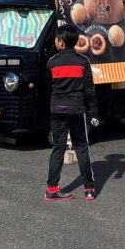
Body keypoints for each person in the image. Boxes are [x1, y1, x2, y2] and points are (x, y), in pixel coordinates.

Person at [45, 25, 100, 202]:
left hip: (56, 109)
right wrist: (94, 113)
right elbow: (90, 91)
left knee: (58, 148)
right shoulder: (83, 62)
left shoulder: (51, 62)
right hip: (76, 109)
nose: (55, 41)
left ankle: (52, 189)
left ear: (61, 42)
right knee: (82, 148)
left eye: (56, 38)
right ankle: (89, 189)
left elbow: (48, 89)